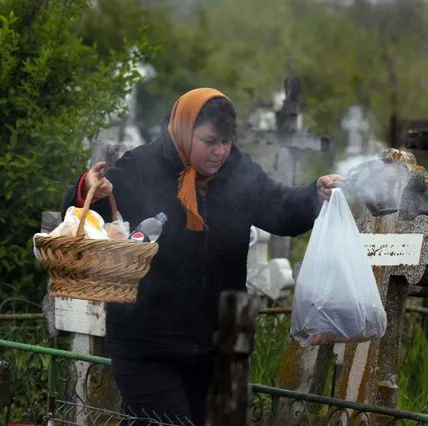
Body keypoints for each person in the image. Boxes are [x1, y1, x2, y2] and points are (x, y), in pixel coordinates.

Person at [60, 88, 342, 425]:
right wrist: (87, 188)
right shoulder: (141, 167)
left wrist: (314, 193)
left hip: (219, 344)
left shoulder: (239, 169)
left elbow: (278, 209)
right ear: (182, 129)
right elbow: (81, 217)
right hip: (148, 343)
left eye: (226, 141)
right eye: (209, 141)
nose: (220, 152)